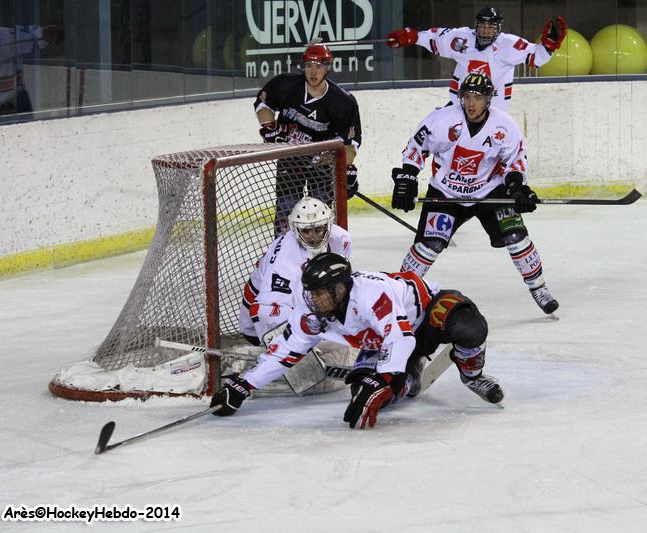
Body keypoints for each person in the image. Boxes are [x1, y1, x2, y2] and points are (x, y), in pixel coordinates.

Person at [212, 252, 503, 429]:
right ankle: (411, 379)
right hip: (382, 342)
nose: (313, 299)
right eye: (311, 293)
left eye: (320, 293)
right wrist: (245, 385)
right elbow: (285, 351)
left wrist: (386, 377)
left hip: (425, 316)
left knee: (468, 328)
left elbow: (400, 338)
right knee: (363, 395)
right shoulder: (312, 309)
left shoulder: (370, 294)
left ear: (339, 288)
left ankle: (473, 375)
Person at [391, 72, 559, 315]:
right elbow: (416, 148)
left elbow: (514, 162)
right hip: (446, 193)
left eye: (478, 97)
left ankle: (539, 288)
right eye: (467, 96)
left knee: (516, 238)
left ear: (488, 100)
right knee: (430, 244)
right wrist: (407, 176)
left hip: (489, 191)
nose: (471, 103)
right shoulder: (442, 119)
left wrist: (517, 188)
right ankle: (399, 292)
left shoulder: (504, 125)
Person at [253, 43, 362, 234]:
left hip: (321, 167)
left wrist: (341, 166)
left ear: (328, 67)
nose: (313, 72)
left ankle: (319, 256)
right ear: (303, 66)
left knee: (320, 214)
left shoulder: (343, 102)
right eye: (309, 65)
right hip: (290, 159)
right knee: (286, 209)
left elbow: (350, 145)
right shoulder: (285, 84)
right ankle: (282, 253)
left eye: (319, 66)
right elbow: (263, 104)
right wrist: (271, 128)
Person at [386, 7, 566, 110]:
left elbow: (537, 58)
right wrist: (413, 36)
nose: (486, 30)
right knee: (434, 138)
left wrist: (549, 45)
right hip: (459, 107)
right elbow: (436, 37)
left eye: (491, 27)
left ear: (498, 29)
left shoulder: (509, 44)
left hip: (493, 111)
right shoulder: (462, 38)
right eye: (482, 26)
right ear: (476, 26)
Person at [238, 196, 351, 347]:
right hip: (260, 317)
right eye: (306, 231)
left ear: (328, 225)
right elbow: (265, 311)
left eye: (317, 229)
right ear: (295, 229)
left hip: (293, 303)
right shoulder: (286, 258)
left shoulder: (341, 238)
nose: (313, 237)